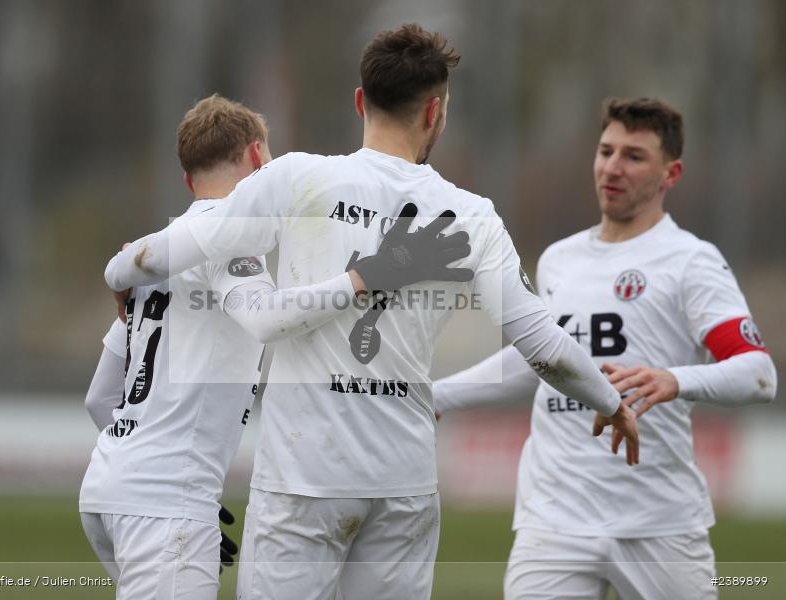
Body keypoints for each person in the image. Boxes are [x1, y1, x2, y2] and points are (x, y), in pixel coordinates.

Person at [104, 25, 639, 600]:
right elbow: (540, 343)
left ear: (361, 101)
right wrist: (610, 402)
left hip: (302, 478)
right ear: (434, 112)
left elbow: (178, 247)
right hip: (403, 483)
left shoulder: (297, 177)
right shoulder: (472, 214)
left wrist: (120, 273)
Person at [79, 94, 456, 599]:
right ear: (259, 157)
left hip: (107, 487)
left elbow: (100, 398)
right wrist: (365, 277)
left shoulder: (158, 251)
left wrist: (147, 469)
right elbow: (266, 317)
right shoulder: (231, 240)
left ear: (189, 181)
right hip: (166, 504)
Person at [435, 97, 777, 600]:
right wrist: (439, 395)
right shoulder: (559, 259)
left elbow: (758, 373)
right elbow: (543, 359)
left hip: (657, 522)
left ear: (671, 173)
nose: (613, 167)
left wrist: (674, 379)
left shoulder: (692, 261)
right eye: (606, 151)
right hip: (553, 520)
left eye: (634, 156)